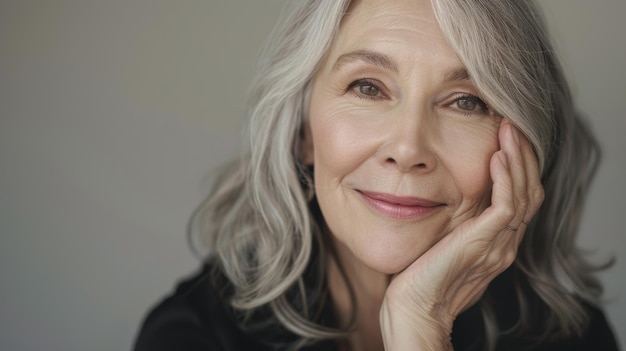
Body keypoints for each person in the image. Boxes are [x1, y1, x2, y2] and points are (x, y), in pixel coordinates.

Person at [134, 0, 620, 350]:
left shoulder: (568, 335)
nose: (408, 149)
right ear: (303, 132)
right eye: (367, 87)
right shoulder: (193, 336)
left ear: (524, 149)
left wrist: (420, 326)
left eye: (467, 101)